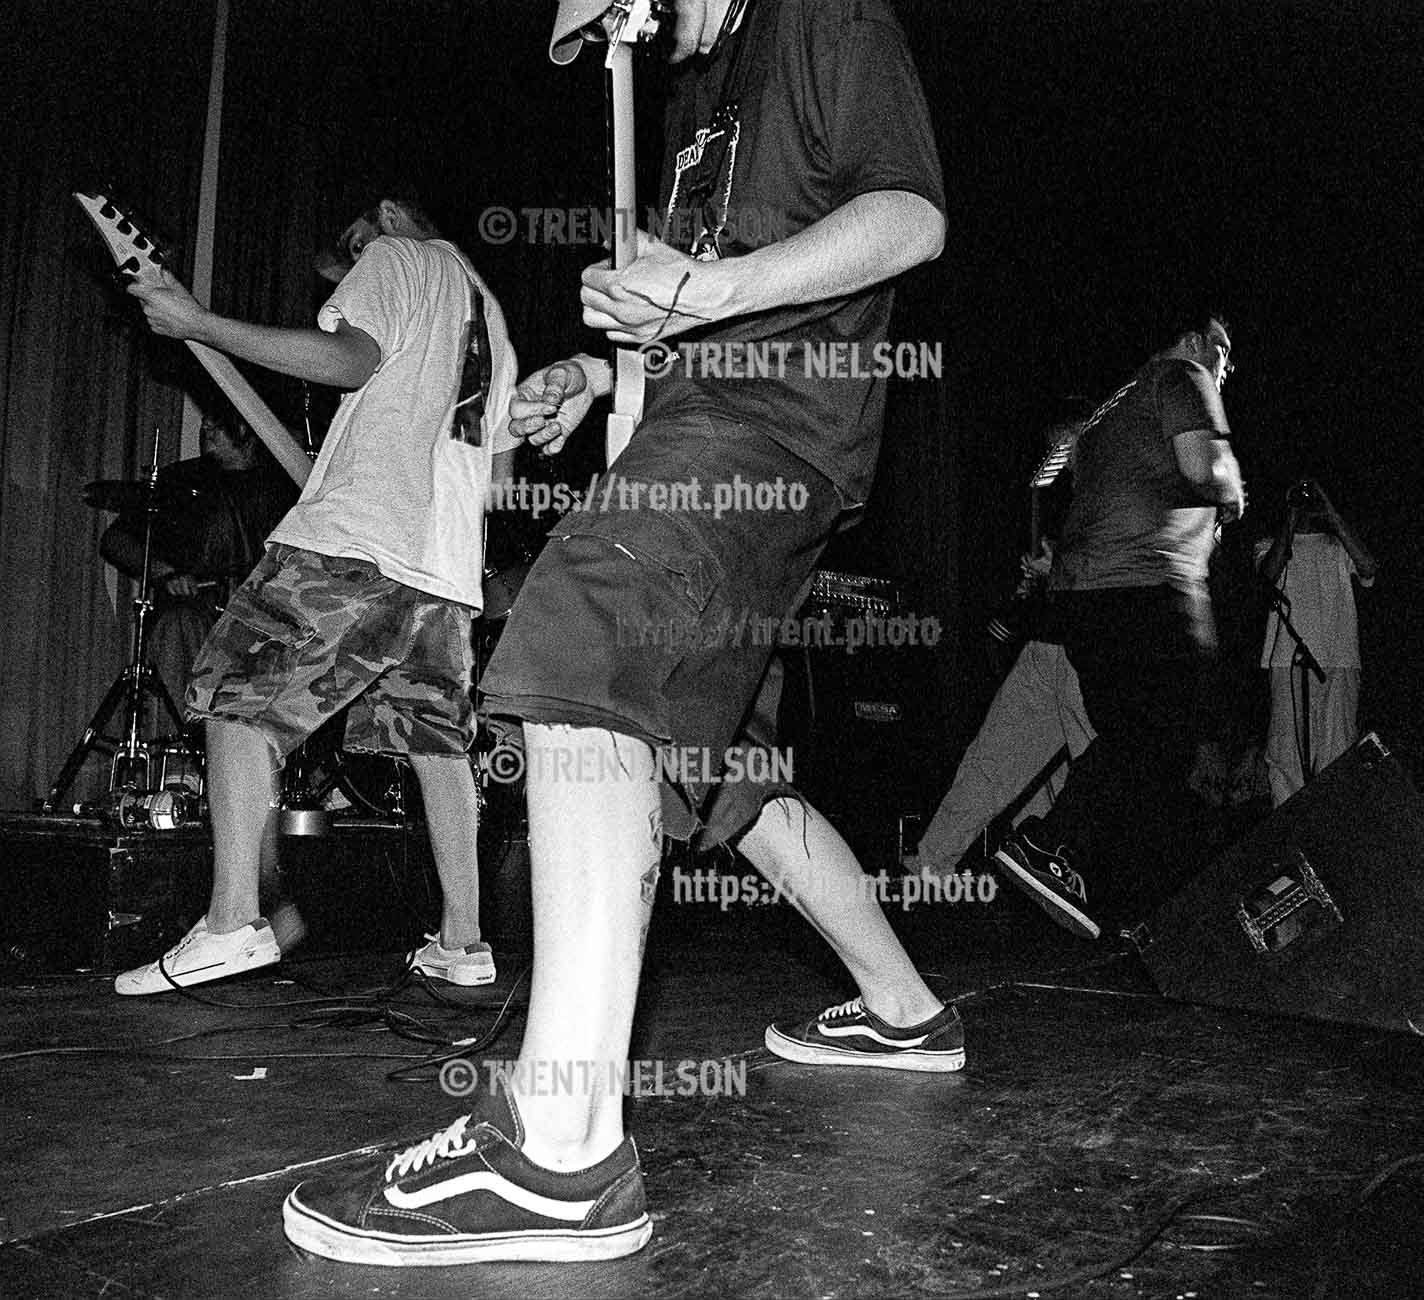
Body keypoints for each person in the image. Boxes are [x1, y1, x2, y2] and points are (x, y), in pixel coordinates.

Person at [280, 0, 949, 1266]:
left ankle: (562, 1151)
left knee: (574, 650)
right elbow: (681, 329)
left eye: (619, 14)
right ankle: (905, 1009)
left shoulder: (823, 21)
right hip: (717, 421)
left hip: (771, 430)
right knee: (721, 781)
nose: (620, 41)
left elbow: (910, 215)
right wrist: (597, 373)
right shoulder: (697, 98)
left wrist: (712, 286)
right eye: (600, 34)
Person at [115, 191, 518, 995]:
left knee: (237, 699)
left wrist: (202, 324)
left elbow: (351, 360)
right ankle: (464, 942)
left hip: (355, 542)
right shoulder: (495, 322)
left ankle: (233, 923)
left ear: (396, 211)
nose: (354, 250)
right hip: (441, 570)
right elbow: (499, 483)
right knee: (437, 746)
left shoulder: (400, 256)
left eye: (356, 236)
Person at [991, 312, 1246, 939]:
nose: (1227, 366)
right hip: (1143, 587)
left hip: (1086, 598)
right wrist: (1234, 490)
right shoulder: (1185, 375)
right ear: (1194, 339)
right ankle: (1048, 844)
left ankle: (1130, 894)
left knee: (1136, 745)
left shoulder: (1115, 406)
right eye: (1223, 351)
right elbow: (1204, 471)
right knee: (1160, 735)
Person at [99, 405, 298, 731]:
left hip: (264, 617)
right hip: (200, 610)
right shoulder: (181, 480)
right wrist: (166, 573)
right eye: (206, 416)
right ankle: (182, 757)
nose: (206, 423)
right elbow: (116, 541)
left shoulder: (286, 487)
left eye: (219, 417)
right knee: (178, 621)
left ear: (248, 425)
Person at [916, 545, 1096, 877]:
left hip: (1079, 644)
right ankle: (936, 864)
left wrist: (1060, 570)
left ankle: (933, 866)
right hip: (1064, 640)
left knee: (1085, 776)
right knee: (1000, 761)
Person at [1255, 477, 1376, 805]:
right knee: (1285, 755)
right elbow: (1267, 574)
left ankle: (1333, 832)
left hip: (1339, 657)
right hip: (1285, 659)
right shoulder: (1269, 544)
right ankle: (1289, 834)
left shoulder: (1339, 546)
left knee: (1338, 752)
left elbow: (1368, 568)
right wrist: (1291, 519)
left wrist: (1331, 514)